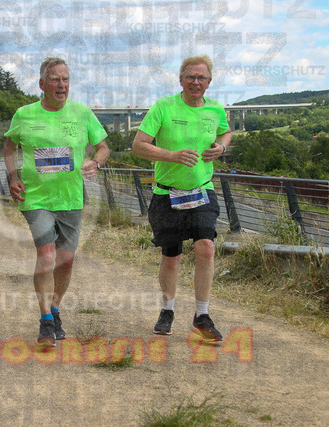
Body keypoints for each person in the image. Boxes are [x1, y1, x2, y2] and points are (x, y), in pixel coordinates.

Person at [3, 57, 110, 347]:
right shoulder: (25, 114)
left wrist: (96, 162)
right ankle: (46, 321)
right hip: (36, 198)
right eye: (55, 79)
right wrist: (12, 176)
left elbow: (103, 147)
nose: (61, 85)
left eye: (65, 79)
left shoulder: (81, 113)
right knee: (47, 255)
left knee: (66, 260)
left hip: (70, 197)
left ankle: (55, 308)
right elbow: (9, 145)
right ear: (42, 84)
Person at [131, 55, 231, 343]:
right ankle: (167, 310)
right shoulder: (164, 107)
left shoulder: (215, 109)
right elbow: (138, 145)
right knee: (171, 256)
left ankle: (202, 315)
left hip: (202, 189)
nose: (196, 82)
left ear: (209, 82)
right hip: (168, 193)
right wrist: (172, 155)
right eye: (191, 77)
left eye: (202, 78)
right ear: (181, 80)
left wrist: (221, 148)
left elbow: (226, 132)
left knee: (206, 247)